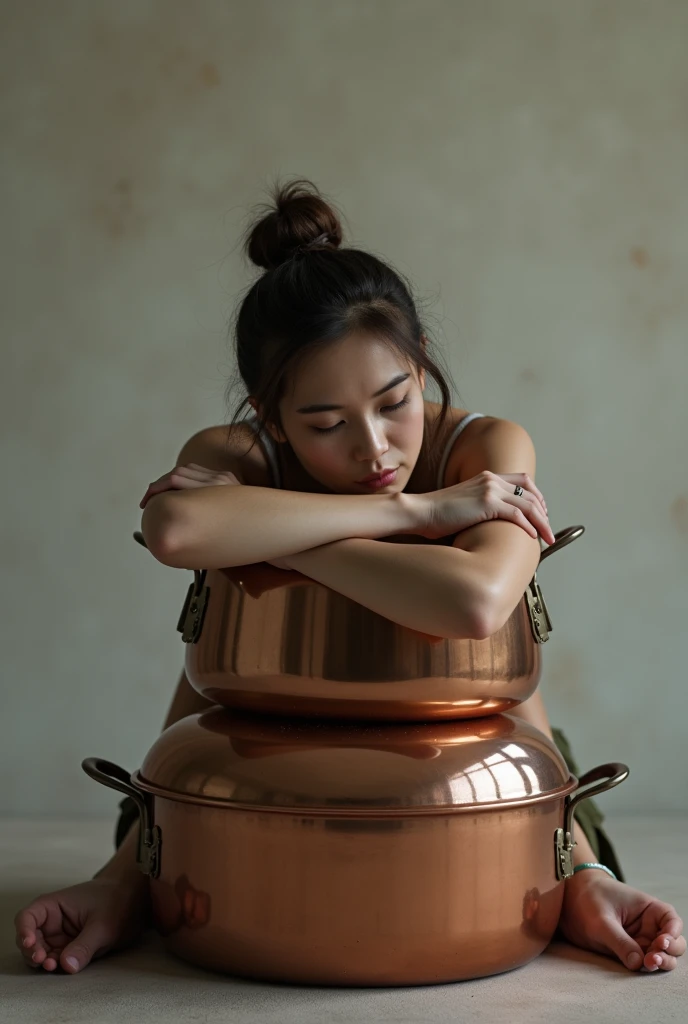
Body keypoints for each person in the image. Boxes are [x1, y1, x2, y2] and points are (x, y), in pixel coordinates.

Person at [15, 178, 684, 977]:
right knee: (195, 772)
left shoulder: (488, 451)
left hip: (498, 779)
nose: (374, 450)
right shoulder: (245, 455)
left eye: (394, 402)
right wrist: (421, 516)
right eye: (325, 424)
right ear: (269, 417)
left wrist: (579, 871)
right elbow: (178, 529)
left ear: (421, 364)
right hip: (242, 762)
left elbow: (474, 603)